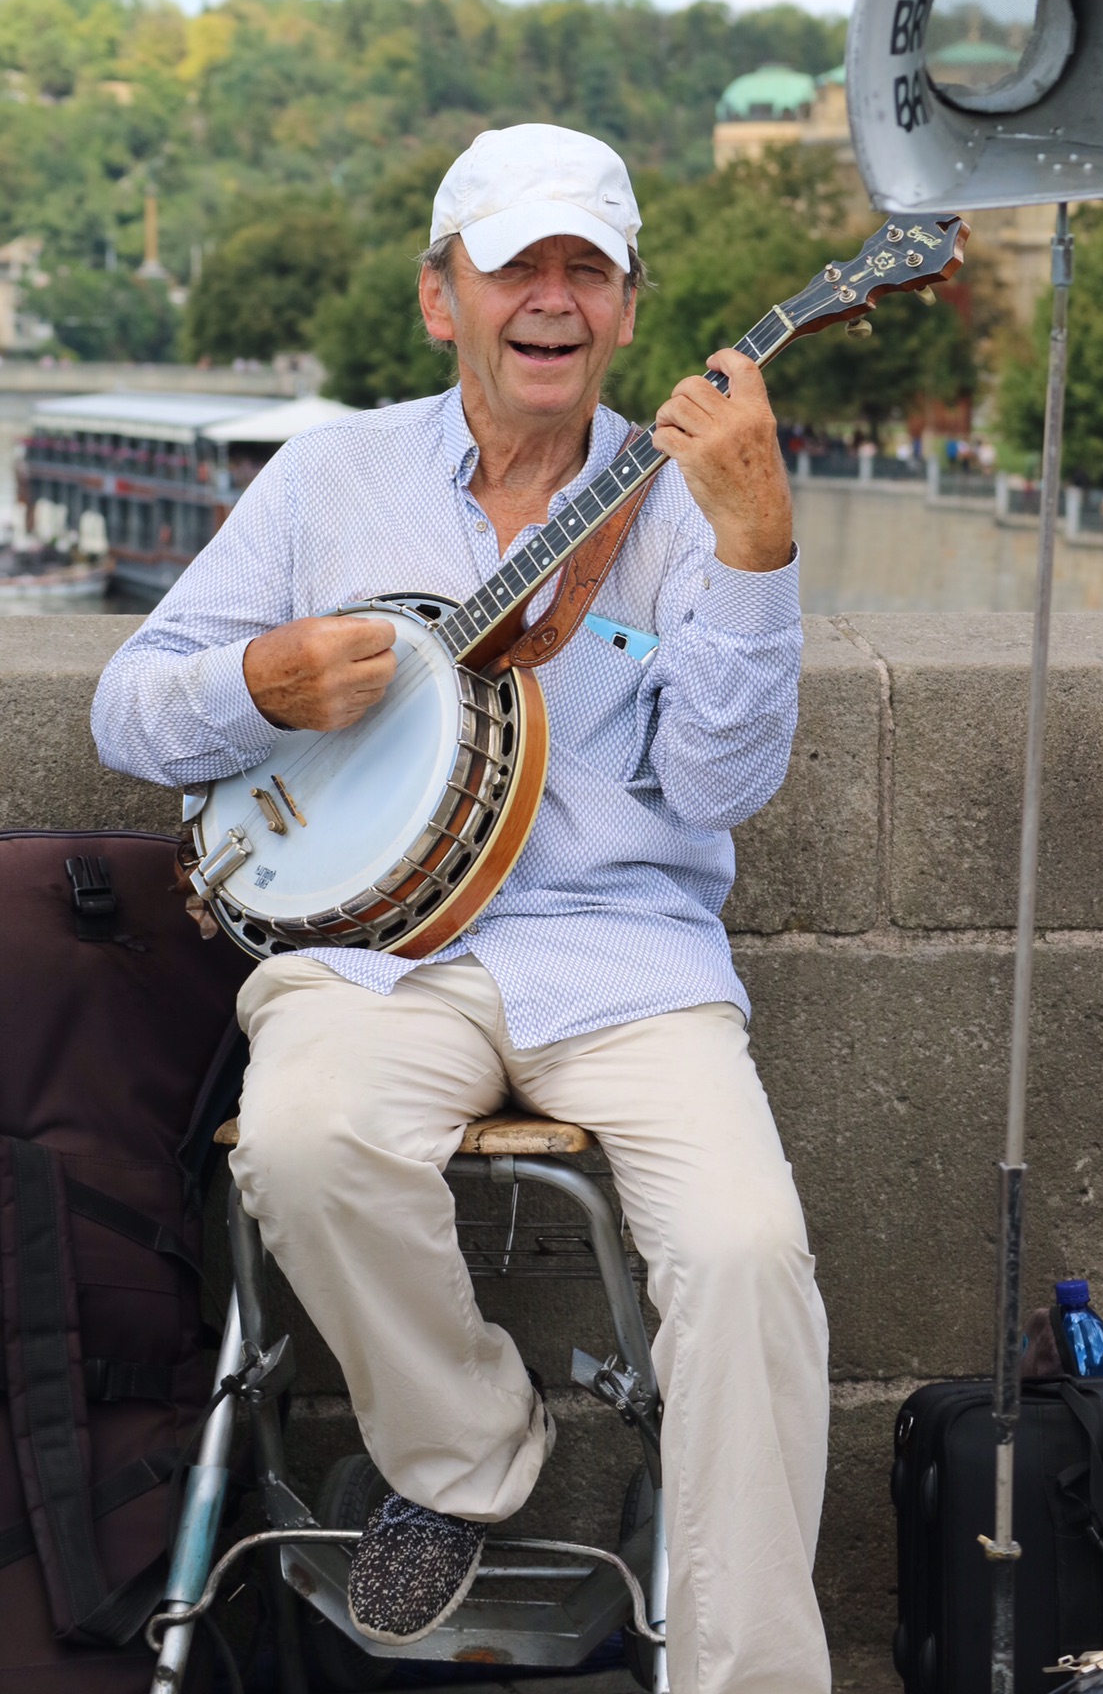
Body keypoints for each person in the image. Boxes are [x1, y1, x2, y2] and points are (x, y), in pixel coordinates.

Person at [91, 124, 831, 1694]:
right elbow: (129, 709)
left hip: (623, 955)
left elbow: (718, 791)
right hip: (370, 957)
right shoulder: (328, 482)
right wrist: (259, 683)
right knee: (300, 1142)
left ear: (628, 310)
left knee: (751, 1253)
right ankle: (462, 1455)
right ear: (445, 300)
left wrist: (758, 557)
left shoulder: (693, 500)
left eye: (587, 270)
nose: (550, 300)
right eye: (516, 269)